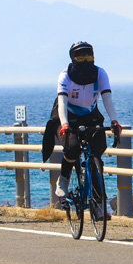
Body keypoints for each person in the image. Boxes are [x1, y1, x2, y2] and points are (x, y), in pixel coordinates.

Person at [53, 41, 122, 220]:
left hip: (91, 113)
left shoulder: (100, 73)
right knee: (73, 148)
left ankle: (99, 205)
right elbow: (62, 102)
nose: (85, 60)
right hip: (69, 114)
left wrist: (114, 120)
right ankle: (64, 179)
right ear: (73, 59)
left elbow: (107, 99)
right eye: (80, 57)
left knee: (96, 156)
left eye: (88, 56)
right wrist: (65, 124)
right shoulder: (65, 75)